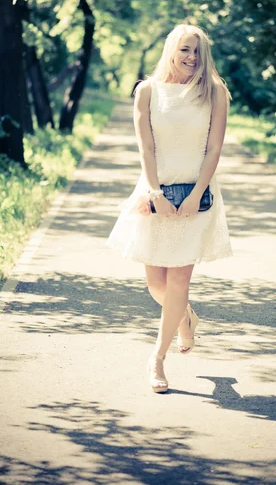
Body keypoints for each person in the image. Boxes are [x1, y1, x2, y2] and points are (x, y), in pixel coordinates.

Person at [107, 24, 232, 393]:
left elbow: (214, 149)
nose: (191, 57)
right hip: (155, 193)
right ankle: (184, 316)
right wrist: (154, 191)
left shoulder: (214, 92)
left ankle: (157, 359)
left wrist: (197, 192)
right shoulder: (147, 91)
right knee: (156, 284)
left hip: (198, 196)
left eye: (197, 51)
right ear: (171, 51)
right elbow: (146, 148)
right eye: (185, 50)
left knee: (179, 279)